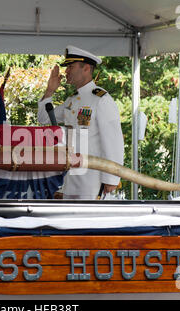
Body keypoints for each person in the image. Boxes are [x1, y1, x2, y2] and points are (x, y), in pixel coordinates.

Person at [37, 45, 124, 199]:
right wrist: (49, 91)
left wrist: (111, 178)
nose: (66, 71)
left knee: (89, 221)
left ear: (86, 68)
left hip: (92, 178)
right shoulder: (72, 100)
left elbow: (113, 141)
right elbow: (44, 118)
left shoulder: (101, 99)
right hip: (71, 174)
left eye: (71, 66)